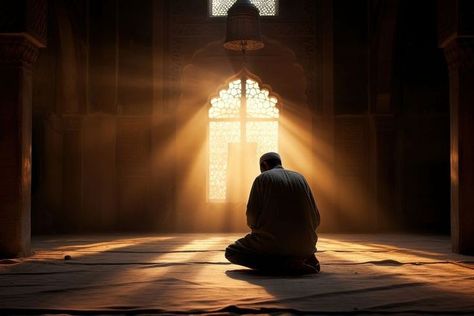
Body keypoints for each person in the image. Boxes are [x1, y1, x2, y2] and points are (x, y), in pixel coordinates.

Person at [225, 152, 321, 275]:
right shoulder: (300, 178)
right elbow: (317, 218)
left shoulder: (262, 178)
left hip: (273, 245)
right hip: (306, 245)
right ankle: (303, 257)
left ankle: (284, 265)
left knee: (232, 251)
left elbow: (252, 218)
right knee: (292, 245)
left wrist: (260, 232)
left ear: (264, 164)